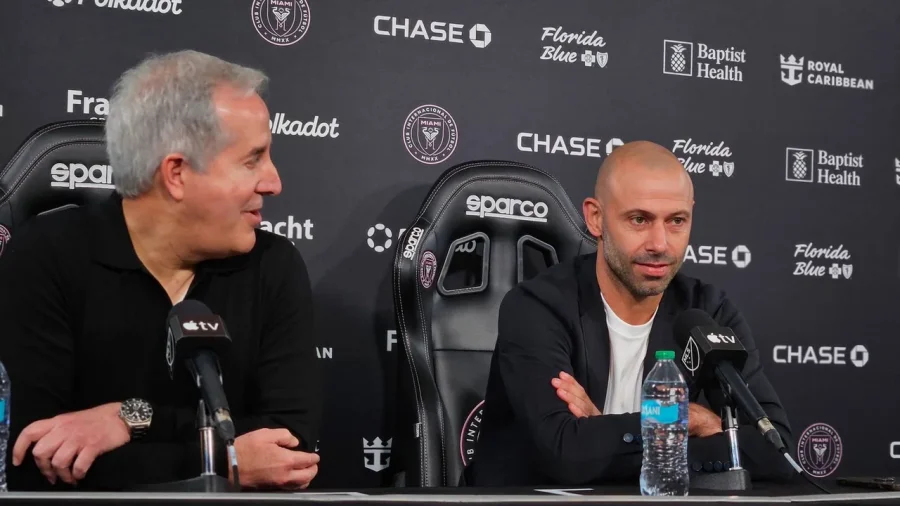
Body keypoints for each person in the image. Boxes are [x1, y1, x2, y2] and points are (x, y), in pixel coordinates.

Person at [0, 50, 321, 491]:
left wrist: (130, 419)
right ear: (176, 174)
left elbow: (289, 448)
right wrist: (221, 462)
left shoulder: (273, 265)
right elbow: (32, 458)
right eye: (253, 160)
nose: (274, 182)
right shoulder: (47, 256)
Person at [468, 141, 794, 486]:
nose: (660, 244)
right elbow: (564, 453)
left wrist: (603, 434)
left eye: (677, 221)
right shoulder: (537, 306)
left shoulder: (707, 310)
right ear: (596, 218)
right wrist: (688, 421)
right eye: (639, 219)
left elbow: (776, 450)